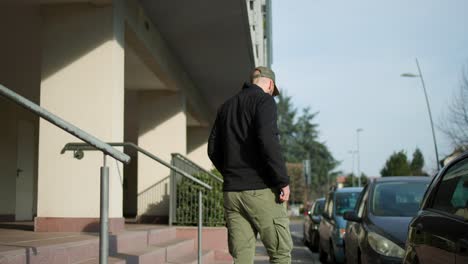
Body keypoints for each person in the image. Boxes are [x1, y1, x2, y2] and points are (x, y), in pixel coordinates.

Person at [208, 66, 293, 263]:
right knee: (280, 254)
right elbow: (268, 140)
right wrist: (282, 180)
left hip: (232, 194)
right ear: (270, 84)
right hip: (261, 190)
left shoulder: (226, 106)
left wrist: (231, 174)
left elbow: (212, 149)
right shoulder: (264, 100)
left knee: (242, 258)